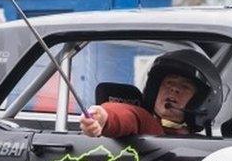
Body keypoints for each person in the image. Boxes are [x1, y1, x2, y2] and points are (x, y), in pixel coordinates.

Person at [80, 49, 221, 138]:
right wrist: (103, 117)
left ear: (202, 101)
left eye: (185, 87)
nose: (174, 89)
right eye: (169, 83)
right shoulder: (149, 125)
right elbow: (131, 115)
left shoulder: (209, 150)